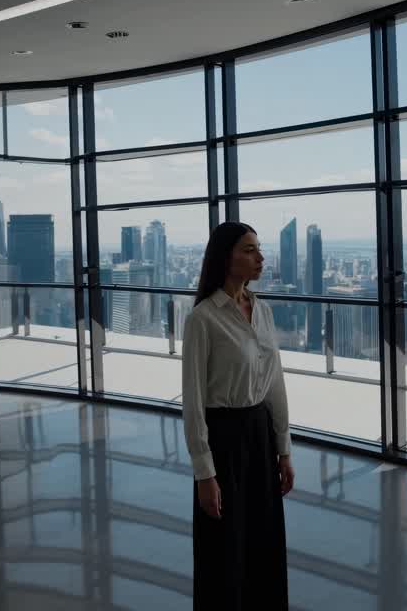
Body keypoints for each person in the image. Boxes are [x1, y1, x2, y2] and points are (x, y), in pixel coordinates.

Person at [181, 221, 293, 609]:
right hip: (223, 439)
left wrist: (284, 449)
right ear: (225, 257)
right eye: (248, 250)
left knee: (263, 537)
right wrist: (204, 475)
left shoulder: (262, 311)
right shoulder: (203, 320)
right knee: (223, 544)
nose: (260, 258)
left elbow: (274, 384)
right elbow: (193, 403)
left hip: (260, 432)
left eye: (259, 249)